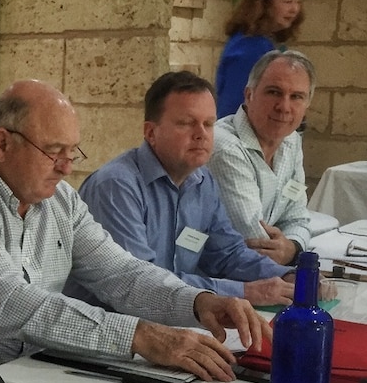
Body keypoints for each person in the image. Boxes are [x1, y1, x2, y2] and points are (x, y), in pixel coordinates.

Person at [0, 78, 272, 383]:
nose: (66, 167)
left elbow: (121, 272)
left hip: (33, 372)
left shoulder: (59, 200)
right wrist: (142, 336)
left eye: (73, 153)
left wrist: (197, 302)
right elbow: (14, 305)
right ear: (3, 144)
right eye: (54, 151)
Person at [77, 70, 293, 308]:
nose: (201, 135)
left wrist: (286, 277)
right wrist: (244, 291)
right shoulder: (116, 186)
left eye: (208, 124)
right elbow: (143, 283)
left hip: (174, 317)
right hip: (113, 327)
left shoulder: (203, 181)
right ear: (151, 132)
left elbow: (228, 254)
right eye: (187, 123)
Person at [207, 49, 315, 266]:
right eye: (274, 92)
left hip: (262, 272)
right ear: (249, 95)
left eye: (296, 97)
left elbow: (298, 218)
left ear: (307, 104)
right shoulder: (225, 146)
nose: (284, 107)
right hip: (220, 277)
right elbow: (254, 240)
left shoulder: (291, 141)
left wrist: (293, 246)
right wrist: (288, 251)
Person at [215, 0, 305, 118]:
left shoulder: (267, 43)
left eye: (298, 2)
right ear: (265, 3)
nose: (295, 9)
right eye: (287, 1)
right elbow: (234, 108)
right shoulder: (248, 48)